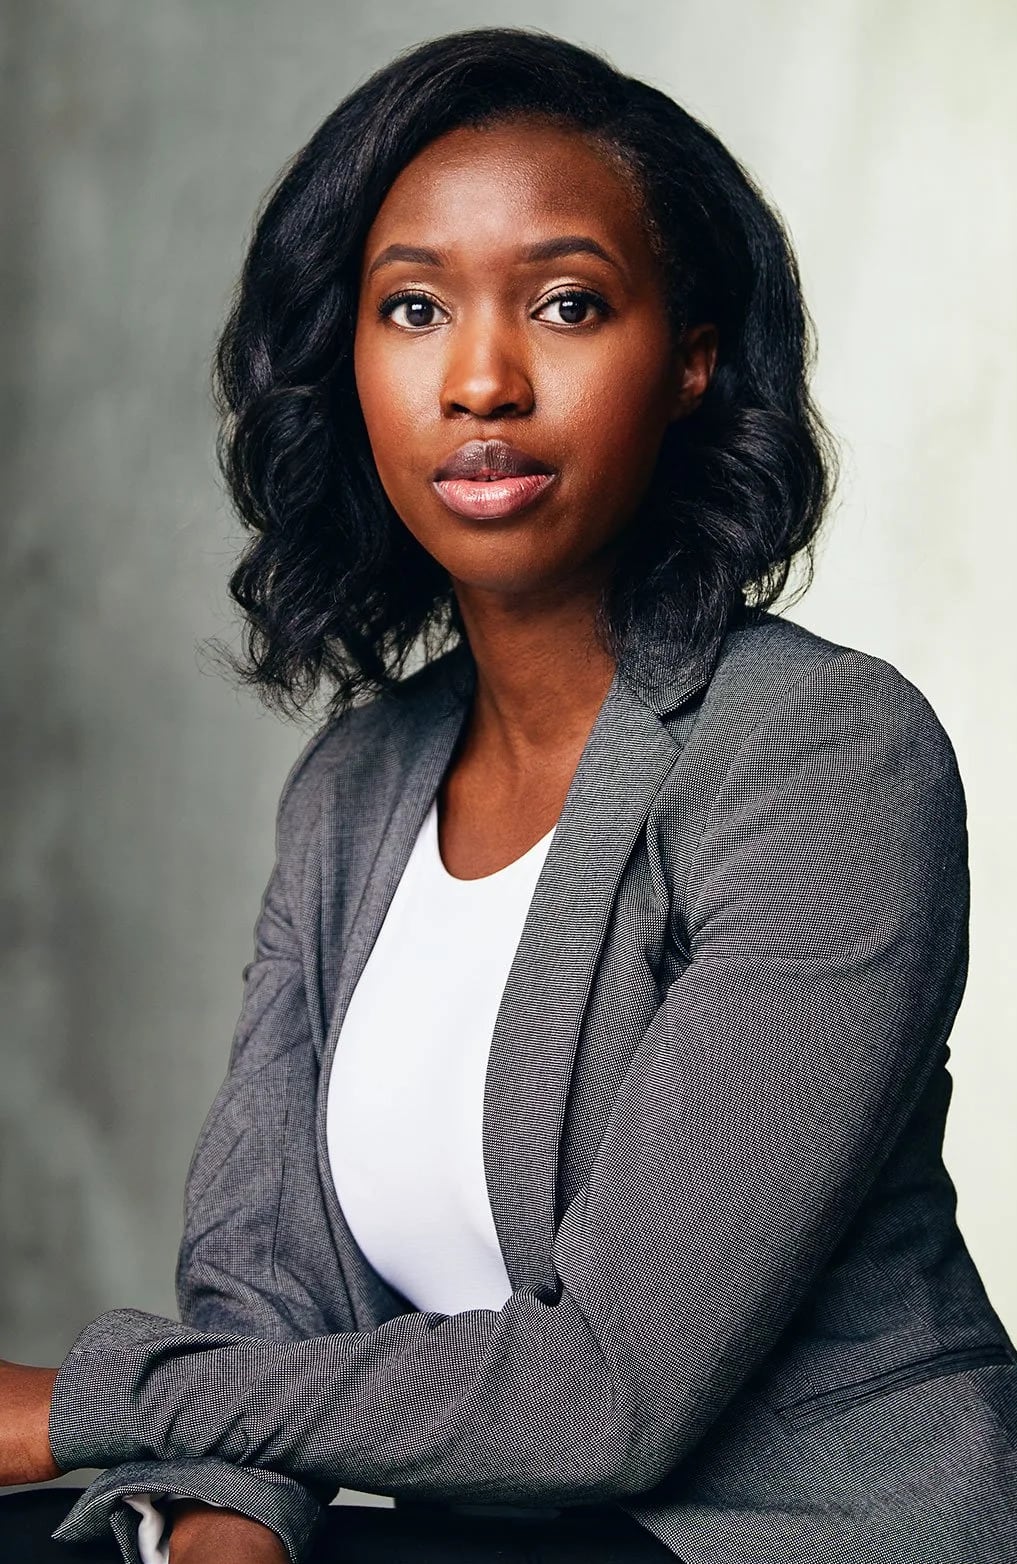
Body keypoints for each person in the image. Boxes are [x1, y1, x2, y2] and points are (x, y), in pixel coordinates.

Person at [2, 24, 1015, 1564]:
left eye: (566, 305)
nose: (480, 379)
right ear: (348, 361)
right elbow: (272, 1296)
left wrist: (78, 1407)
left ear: (689, 357)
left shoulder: (820, 755)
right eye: (412, 308)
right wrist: (224, 1518)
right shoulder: (352, 792)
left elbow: (605, 1392)